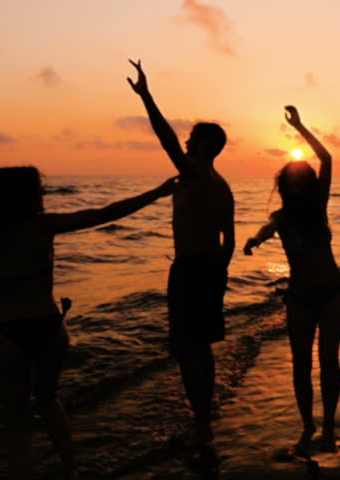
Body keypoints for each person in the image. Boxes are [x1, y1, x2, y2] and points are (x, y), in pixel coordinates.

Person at [0, 166, 175, 480]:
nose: (42, 194)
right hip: (49, 327)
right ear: (26, 197)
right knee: (48, 399)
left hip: (9, 330)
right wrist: (156, 193)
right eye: (37, 190)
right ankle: (70, 471)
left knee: (16, 420)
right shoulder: (43, 226)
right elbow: (107, 213)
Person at [126, 60, 235, 456]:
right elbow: (231, 239)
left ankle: (202, 425)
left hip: (191, 270)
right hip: (209, 268)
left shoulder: (197, 173)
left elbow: (167, 142)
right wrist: (219, 273)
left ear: (205, 146)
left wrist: (147, 98)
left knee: (188, 349)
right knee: (201, 346)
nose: (186, 143)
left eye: (192, 139)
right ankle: (205, 415)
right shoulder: (222, 185)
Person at [244, 106, 340, 455]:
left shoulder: (319, 207)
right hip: (300, 298)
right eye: (289, 178)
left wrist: (300, 126)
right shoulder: (282, 217)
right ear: (284, 186)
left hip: (333, 293)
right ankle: (308, 428)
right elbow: (268, 228)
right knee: (301, 363)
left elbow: (327, 158)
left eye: (299, 177)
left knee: (328, 360)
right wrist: (254, 241)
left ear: (307, 182)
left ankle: (330, 426)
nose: (295, 182)